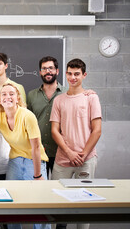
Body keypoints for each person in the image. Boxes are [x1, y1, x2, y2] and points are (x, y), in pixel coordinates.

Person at [0, 83, 50, 229]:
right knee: (10, 200)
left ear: (17, 98)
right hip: (15, 161)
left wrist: (37, 175)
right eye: (4, 94)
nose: (7, 97)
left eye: (11, 94)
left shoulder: (27, 116)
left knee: (38, 202)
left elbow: (35, 148)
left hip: (34, 161)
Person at [50, 59, 102, 229]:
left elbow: (97, 130)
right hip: (63, 159)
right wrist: (69, 153)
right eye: (70, 73)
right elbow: (55, 131)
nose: (73, 77)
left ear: (84, 75)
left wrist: (83, 154)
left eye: (77, 74)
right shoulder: (59, 100)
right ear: (65, 74)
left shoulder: (91, 98)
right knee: (59, 200)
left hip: (86, 159)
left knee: (85, 201)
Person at [27, 56, 66, 178]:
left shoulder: (67, 93)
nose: (48, 71)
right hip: (38, 150)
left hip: (61, 150)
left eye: (51, 68)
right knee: (39, 186)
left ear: (57, 71)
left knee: (58, 187)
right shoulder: (32, 95)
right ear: (40, 72)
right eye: (44, 69)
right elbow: (28, 122)